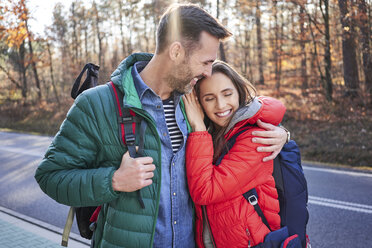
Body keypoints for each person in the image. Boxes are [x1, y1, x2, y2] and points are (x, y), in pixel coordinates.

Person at [34, 3, 288, 248]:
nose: (209, 73)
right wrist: (113, 181)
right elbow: (50, 176)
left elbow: (243, 115)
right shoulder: (97, 104)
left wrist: (282, 134)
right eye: (205, 62)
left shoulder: (197, 101)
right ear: (176, 52)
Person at [183, 61, 287, 247]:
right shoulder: (216, 135)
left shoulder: (255, 139)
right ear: (199, 104)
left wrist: (198, 128)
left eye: (227, 94)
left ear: (239, 92)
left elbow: (205, 191)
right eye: (209, 98)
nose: (221, 105)